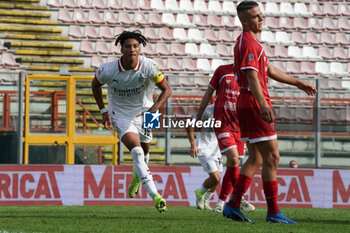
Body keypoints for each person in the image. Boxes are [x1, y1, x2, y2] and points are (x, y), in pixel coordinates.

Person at [222, 1, 317, 223]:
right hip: (254, 103)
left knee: (255, 158)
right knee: (273, 156)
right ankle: (273, 211)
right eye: (255, 16)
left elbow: (269, 70)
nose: (260, 19)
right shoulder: (248, 43)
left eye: (260, 15)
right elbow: (253, 76)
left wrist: (297, 83)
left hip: (247, 102)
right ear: (244, 21)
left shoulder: (249, 42)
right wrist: (263, 104)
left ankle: (233, 204)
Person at [91, 30, 172, 213]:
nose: (132, 50)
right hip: (120, 114)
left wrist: (154, 109)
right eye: (128, 46)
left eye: (135, 46)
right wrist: (103, 111)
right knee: (136, 152)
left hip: (148, 112)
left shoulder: (150, 66)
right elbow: (95, 85)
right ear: (122, 49)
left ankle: (137, 176)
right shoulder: (108, 70)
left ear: (139, 48)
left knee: (145, 153)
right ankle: (156, 196)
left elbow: (167, 90)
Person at [196, 63, 255, 213]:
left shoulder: (251, 75)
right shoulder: (223, 70)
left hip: (240, 127)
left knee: (232, 165)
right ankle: (238, 198)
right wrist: (198, 117)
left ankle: (220, 204)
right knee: (233, 160)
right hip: (223, 124)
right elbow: (208, 94)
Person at [186, 104, 222, 211]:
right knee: (215, 177)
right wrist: (193, 144)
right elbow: (190, 124)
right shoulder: (209, 110)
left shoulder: (228, 111)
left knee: (218, 179)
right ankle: (200, 192)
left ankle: (205, 200)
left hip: (216, 149)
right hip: (204, 148)